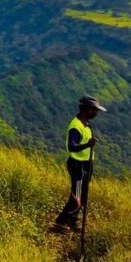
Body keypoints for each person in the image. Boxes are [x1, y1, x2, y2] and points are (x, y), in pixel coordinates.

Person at [53, 95, 105, 233]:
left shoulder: (85, 124)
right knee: (77, 196)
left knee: (82, 195)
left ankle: (71, 221)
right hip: (78, 165)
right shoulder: (76, 126)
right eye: (94, 110)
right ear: (87, 109)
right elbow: (72, 146)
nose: (96, 113)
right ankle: (62, 222)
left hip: (85, 164)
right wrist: (87, 145)